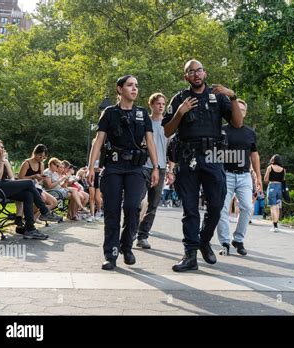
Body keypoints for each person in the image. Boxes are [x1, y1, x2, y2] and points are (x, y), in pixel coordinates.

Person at [163, 59, 243, 272]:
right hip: (187, 156)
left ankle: (203, 240)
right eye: (191, 71)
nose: (196, 74)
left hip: (213, 155)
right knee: (190, 209)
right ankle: (190, 255)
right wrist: (180, 112)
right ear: (186, 76)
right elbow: (167, 131)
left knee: (216, 206)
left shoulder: (218, 96)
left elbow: (237, 123)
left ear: (205, 73)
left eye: (199, 70)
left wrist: (232, 96)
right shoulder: (180, 98)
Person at [87, 75, 159, 271]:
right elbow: (98, 141)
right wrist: (91, 167)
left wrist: (155, 167)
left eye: (136, 85)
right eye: (130, 85)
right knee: (111, 211)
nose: (134, 89)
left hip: (136, 168)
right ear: (120, 89)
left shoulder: (142, 114)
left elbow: (150, 142)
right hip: (113, 167)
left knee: (133, 206)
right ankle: (111, 254)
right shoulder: (109, 113)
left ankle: (127, 247)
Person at [0, 132, 61, 239]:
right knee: (30, 183)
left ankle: (30, 229)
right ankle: (44, 211)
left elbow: (5, 177)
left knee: (28, 195)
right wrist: (3, 160)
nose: (0, 145)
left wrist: (2, 161)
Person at [216, 99, 262, 256]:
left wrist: (259, 177)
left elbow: (254, 156)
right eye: (236, 109)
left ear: (245, 113)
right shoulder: (222, 130)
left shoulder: (250, 133)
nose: (239, 112)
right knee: (222, 209)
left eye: (242, 110)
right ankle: (224, 242)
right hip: (226, 175)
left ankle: (238, 239)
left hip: (244, 176)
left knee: (247, 207)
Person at [136, 93, 175, 250]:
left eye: (163, 103)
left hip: (161, 168)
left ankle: (142, 236)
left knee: (153, 204)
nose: (160, 106)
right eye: (158, 103)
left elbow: (172, 150)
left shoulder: (168, 125)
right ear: (151, 104)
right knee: (136, 202)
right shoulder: (144, 123)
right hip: (143, 167)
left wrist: (171, 170)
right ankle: (130, 231)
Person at [18, 144, 58, 223]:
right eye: (40, 156)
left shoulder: (41, 164)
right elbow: (20, 178)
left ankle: (33, 218)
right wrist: (33, 176)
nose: (42, 158)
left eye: (44, 157)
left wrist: (41, 178)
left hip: (37, 187)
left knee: (54, 202)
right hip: (26, 187)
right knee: (41, 199)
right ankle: (29, 219)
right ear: (35, 153)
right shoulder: (26, 163)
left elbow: (39, 180)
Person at [264, 154, 285, 232]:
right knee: (278, 206)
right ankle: (277, 225)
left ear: (272, 160)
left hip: (272, 186)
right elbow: (284, 180)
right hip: (280, 187)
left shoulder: (270, 167)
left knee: (272, 206)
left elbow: (265, 179)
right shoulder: (283, 169)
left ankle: (274, 226)